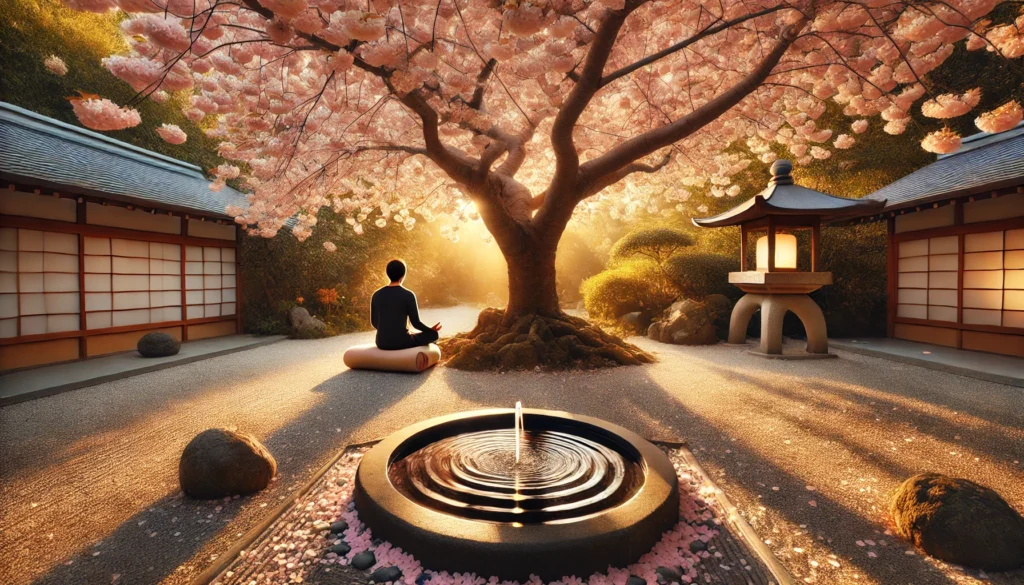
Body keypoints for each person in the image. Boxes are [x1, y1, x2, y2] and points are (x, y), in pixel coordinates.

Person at [370, 259, 442, 350]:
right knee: (433, 335)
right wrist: (430, 330)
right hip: (402, 342)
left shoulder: (376, 295)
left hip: (381, 343)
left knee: (410, 334)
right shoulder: (408, 295)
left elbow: (374, 323)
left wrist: (388, 332)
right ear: (403, 275)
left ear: (388, 274)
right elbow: (416, 323)